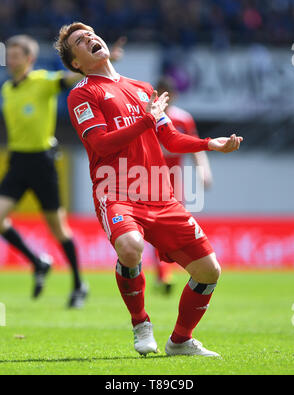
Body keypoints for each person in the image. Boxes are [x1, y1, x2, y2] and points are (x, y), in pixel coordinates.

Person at [55, 22, 243, 357]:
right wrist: (145, 120)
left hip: (159, 193)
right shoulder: (82, 93)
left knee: (208, 270)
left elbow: (169, 137)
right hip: (116, 190)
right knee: (130, 246)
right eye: (80, 42)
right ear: (76, 63)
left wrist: (209, 144)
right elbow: (101, 143)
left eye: (91, 34)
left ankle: (181, 340)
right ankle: (141, 323)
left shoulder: (142, 89)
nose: (90, 39)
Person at [0, 34, 89, 307]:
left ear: (29, 59)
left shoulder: (41, 81)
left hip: (42, 163)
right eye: (9, 55)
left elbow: (67, 79)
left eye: (16, 55)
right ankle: (38, 261)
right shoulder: (6, 89)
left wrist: (90, 64)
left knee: (58, 229)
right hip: (17, 162)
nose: (10, 59)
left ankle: (78, 284)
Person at [153, 77, 214, 294]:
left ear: (174, 95)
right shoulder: (148, 118)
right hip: (149, 179)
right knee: (156, 228)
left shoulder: (183, 119)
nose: (164, 99)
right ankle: (163, 274)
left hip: (175, 180)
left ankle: (170, 271)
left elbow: (195, 147)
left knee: (174, 228)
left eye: (167, 94)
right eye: (160, 93)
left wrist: (203, 170)